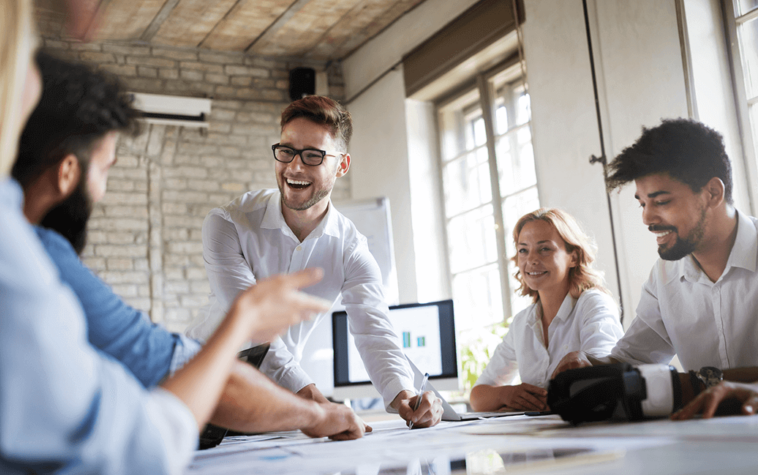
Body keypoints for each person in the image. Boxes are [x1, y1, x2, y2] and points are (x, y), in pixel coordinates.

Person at [0, 0, 334, 475]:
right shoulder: (24, 255)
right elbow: (141, 448)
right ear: (67, 172)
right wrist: (249, 329)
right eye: (105, 170)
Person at [12, 50, 368, 439]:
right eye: (105, 169)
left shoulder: (14, 249)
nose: (102, 190)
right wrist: (316, 414)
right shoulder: (43, 264)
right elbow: (207, 385)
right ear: (67, 173)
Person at [186, 95, 442, 428]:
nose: (294, 167)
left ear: (342, 165)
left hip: (275, 408)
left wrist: (405, 396)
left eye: (313, 156)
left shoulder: (351, 250)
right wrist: (317, 404)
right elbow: (253, 325)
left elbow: (375, 331)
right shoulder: (228, 224)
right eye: (287, 151)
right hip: (199, 392)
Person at [552, 119, 758, 412]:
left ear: (713, 193)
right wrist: (589, 363)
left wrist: (703, 383)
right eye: (642, 204)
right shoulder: (664, 276)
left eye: (661, 201)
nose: (647, 218)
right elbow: (635, 357)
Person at [469, 209, 623, 412]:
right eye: (523, 250)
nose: (531, 260)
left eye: (544, 249)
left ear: (574, 257)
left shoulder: (593, 304)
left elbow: (602, 380)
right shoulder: (522, 322)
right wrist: (507, 395)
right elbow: (478, 397)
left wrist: (518, 407)